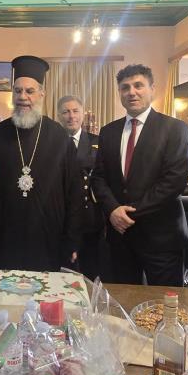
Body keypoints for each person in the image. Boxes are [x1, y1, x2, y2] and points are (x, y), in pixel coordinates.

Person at [0, 56, 82, 271]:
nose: (23, 97)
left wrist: (71, 239)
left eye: (30, 91)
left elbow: (75, 192)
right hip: (6, 237)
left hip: (48, 237)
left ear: (42, 94)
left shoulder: (60, 137)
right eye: (17, 91)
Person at [91, 65, 188, 286]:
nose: (132, 92)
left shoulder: (175, 128)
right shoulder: (108, 132)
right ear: (119, 92)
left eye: (138, 85)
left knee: (164, 302)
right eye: (125, 87)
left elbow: (174, 182)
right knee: (122, 299)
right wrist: (112, 209)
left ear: (152, 89)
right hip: (120, 238)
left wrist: (128, 213)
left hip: (161, 238)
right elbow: (98, 177)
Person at [57, 95, 107, 281]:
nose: (71, 116)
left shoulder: (98, 142)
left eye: (75, 111)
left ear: (82, 114)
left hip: (90, 218)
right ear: (59, 116)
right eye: (65, 112)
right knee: (62, 275)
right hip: (61, 218)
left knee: (89, 273)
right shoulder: (52, 144)